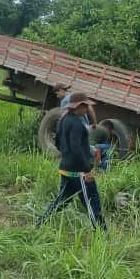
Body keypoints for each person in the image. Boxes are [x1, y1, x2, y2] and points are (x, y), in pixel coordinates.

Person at [37, 92, 106, 229]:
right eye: (85, 106)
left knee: (61, 200)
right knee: (92, 202)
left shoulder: (63, 120)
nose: (87, 109)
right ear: (78, 106)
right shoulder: (78, 125)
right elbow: (77, 150)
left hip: (65, 168)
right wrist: (87, 170)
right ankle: (102, 234)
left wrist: (67, 155)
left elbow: (58, 144)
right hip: (80, 172)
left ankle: (40, 222)